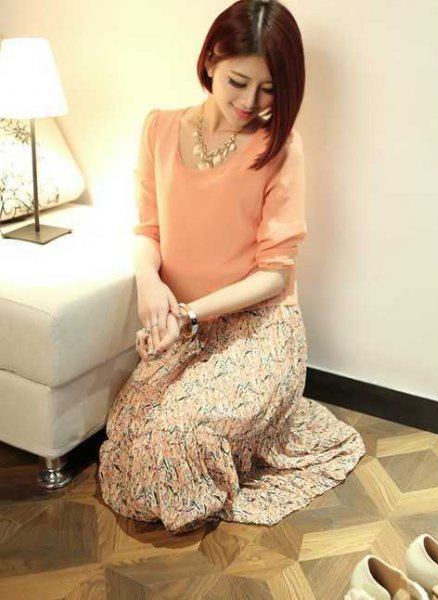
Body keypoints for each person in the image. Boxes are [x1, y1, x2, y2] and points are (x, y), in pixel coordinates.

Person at [98, 0, 365, 535]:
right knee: (129, 434)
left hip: (259, 329)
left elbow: (275, 273)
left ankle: (259, 428)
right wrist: (149, 281)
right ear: (211, 60)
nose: (250, 102)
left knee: (178, 439)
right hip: (185, 333)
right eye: (238, 82)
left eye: (268, 90)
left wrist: (188, 313)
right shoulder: (159, 128)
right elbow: (148, 229)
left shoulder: (280, 148)